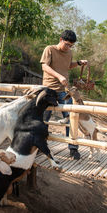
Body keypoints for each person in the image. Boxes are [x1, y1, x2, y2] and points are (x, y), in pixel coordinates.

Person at [40, 30, 88, 160]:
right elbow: (45, 67)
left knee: (71, 117)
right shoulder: (49, 49)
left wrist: (78, 63)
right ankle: (40, 146)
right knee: (44, 118)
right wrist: (59, 76)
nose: (68, 48)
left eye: (71, 46)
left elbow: (67, 66)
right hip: (48, 89)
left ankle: (73, 148)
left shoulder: (69, 53)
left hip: (63, 91)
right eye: (67, 44)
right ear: (61, 39)